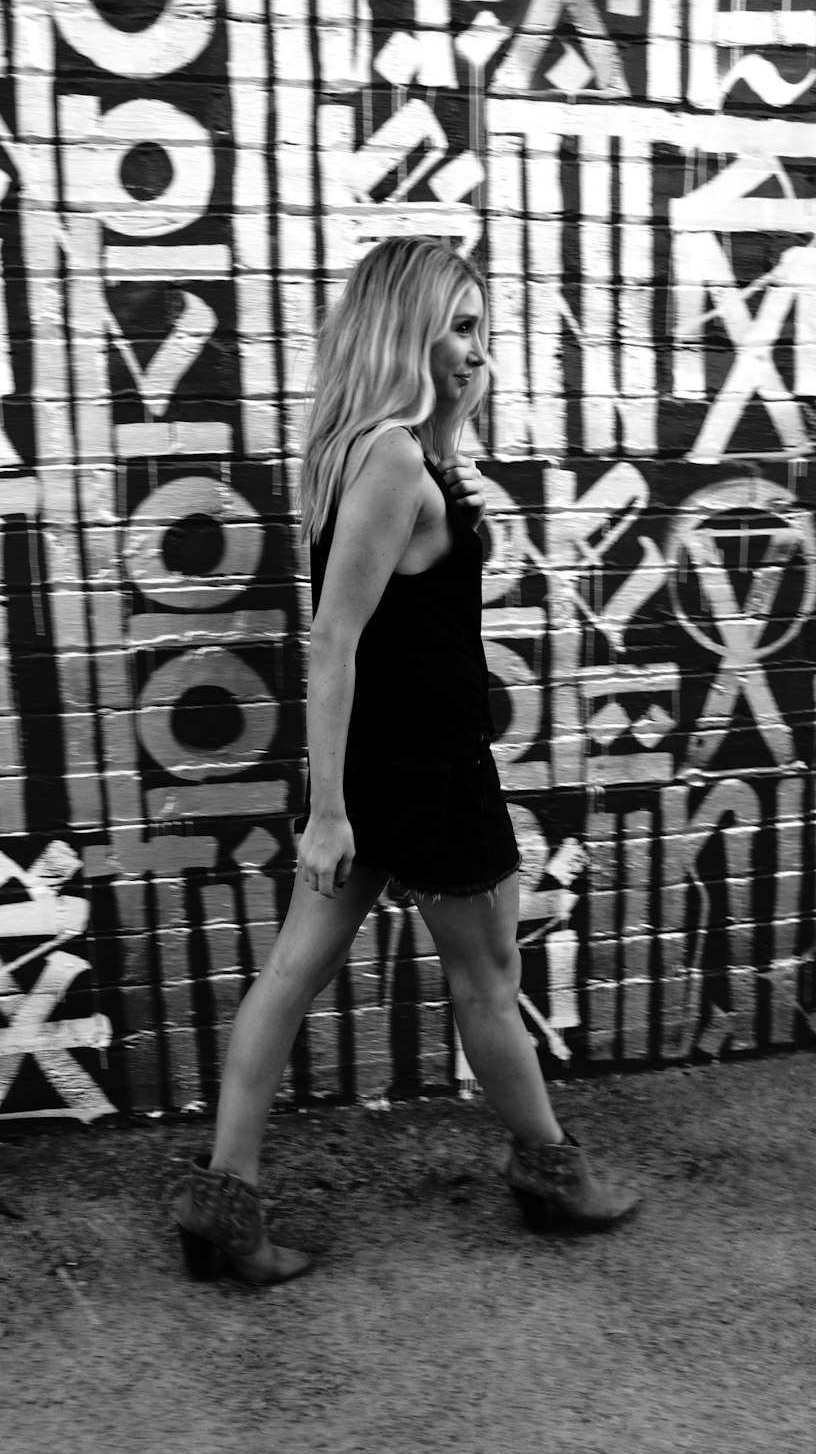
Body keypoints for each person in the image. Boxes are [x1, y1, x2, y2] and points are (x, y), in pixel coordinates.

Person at [174, 237, 639, 1285]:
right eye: (460, 326)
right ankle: (552, 1175)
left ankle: (221, 1206)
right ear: (405, 330)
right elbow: (333, 638)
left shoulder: (376, 449)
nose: (479, 351)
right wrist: (328, 811)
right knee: (486, 975)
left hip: (386, 765)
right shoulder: (389, 455)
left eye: (482, 327)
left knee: (292, 975)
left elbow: (370, 632)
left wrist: (341, 799)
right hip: (422, 773)